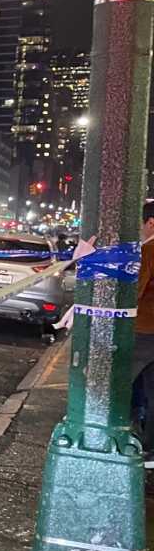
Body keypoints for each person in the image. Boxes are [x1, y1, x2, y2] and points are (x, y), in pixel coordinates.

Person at [129, 200, 154, 468]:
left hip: (145, 330)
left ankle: (115, 435)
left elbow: (135, 290)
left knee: (118, 380)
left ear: (151, 223)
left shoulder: (149, 250)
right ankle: (150, 450)